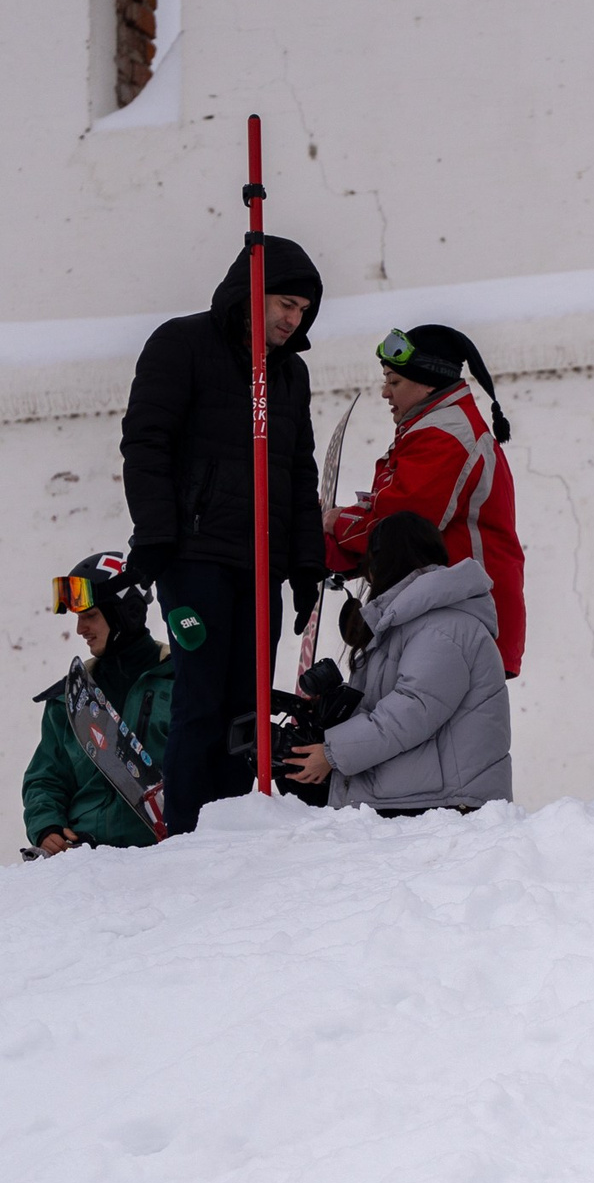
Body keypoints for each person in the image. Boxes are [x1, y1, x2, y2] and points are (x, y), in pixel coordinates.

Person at [117, 237, 326, 834]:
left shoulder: (291, 374)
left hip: (262, 565)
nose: (294, 320)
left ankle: (234, 833)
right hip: (195, 558)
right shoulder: (180, 344)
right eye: (285, 304)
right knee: (202, 699)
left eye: (303, 311)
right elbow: (146, 443)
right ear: (251, 293)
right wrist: (156, 537)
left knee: (249, 709)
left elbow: (299, 472)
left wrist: (306, 565)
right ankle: (186, 834)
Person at [325, 325, 527, 677]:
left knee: (410, 711)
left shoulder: (445, 437)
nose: (385, 392)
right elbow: (390, 510)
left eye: (394, 381)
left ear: (428, 383)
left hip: (465, 623)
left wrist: (335, 523)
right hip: (447, 618)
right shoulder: (431, 428)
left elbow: (400, 529)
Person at [285, 512, 510, 815]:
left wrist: (332, 754)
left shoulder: (442, 626)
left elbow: (412, 710)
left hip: (443, 806)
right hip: (421, 796)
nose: (368, 577)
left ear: (385, 562)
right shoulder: (412, 620)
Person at [23, 553, 173, 855]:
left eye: (90, 615)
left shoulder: (182, 685)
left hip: (167, 855)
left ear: (128, 613)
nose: (80, 629)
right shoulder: (68, 699)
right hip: (85, 858)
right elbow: (46, 779)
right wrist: (47, 826)